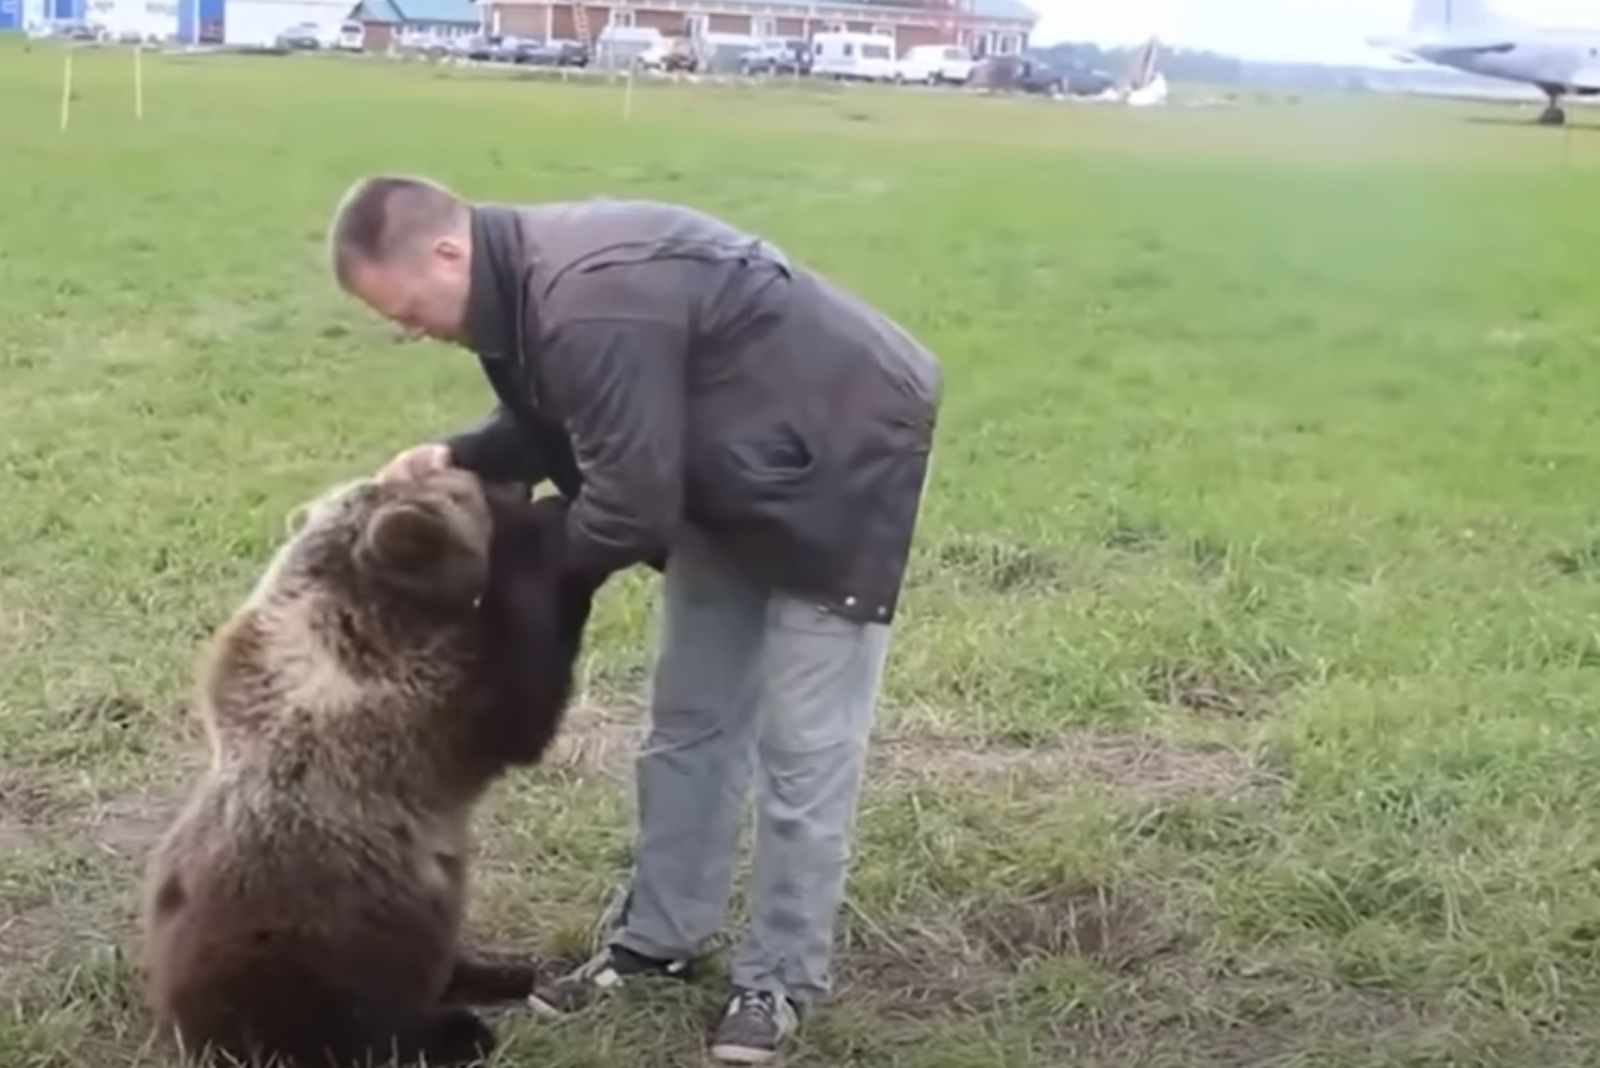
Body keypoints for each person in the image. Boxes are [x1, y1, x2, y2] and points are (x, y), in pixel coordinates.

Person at [325, 175, 941, 1064]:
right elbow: (558, 416)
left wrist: (513, 581)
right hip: (723, 466)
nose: (409, 330)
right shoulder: (519, 292)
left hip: (841, 457)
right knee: (691, 720)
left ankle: (777, 979)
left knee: (803, 750)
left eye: (409, 309)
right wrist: (456, 454)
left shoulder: (585, 300)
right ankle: (660, 941)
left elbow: (628, 511)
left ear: (448, 252)